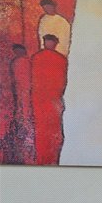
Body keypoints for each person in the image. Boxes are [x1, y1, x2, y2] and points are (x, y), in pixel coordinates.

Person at [31, 34, 67, 165]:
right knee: (50, 130)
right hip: (50, 100)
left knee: (44, 130)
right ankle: (50, 159)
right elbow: (63, 82)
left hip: (43, 100)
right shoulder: (61, 59)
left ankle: (44, 159)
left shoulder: (36, 57)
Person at [2, 44, 33, 163]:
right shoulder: (20, 62)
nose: (16, 53)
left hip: (23, 91)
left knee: (22, 110)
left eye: (17, 51)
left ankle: (22, 127)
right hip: (21, 91)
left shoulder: (22, 62)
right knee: (21, 110)